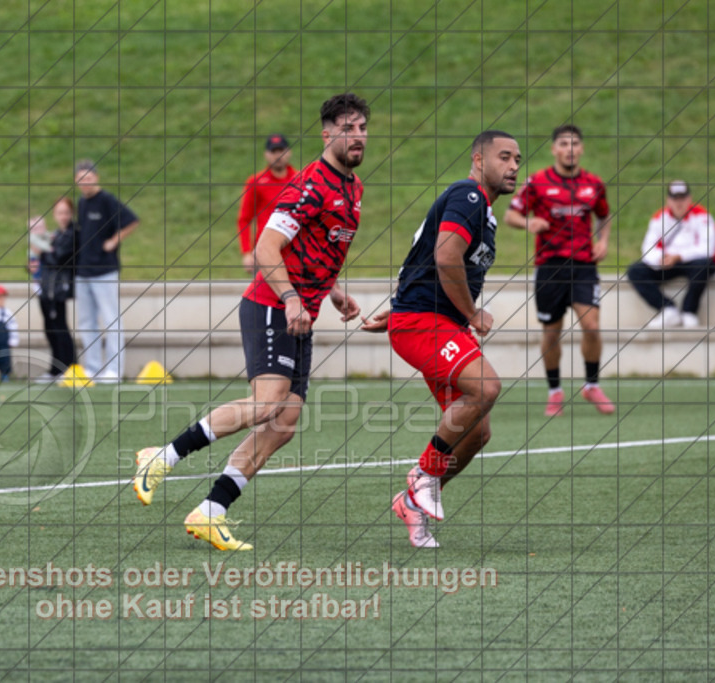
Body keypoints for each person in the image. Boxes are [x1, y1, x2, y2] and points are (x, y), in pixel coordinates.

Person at [133, 92, 369, 551]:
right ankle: (161, 456)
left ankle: (210, 512)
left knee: (284, 423)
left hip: (301, 313)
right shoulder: (308, 185)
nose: (357, 136)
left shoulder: (353, 188)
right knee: (266, 404)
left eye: (362, 128)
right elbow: (265, 248)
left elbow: (317, 247)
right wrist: (291, 298)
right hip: (272, 305)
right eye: (347, 129)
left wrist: (334, 292)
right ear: (327, 135)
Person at [361, 130, 521, 548]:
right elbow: (446, 256)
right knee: (486, 387)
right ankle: (423, 475)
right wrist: (470, 313)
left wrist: (400, 305)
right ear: (478, 160)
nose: (513, 167)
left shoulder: (483, 213)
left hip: (431, 321)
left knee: (477, 433)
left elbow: (422, 258)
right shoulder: (468, 196)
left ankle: (413, 503)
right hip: (425, 322)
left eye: (518, 160)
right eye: (504, 157)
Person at [504, 124, 615, 417]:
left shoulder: (593, 183)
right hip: (549, 267)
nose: (570, 149)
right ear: (554, 149)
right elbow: (511, 215)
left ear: (582, 148)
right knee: (551, 333)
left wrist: (603, 241)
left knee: (592, 326)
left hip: (584, 266)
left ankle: (591, 385)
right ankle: (555, 391)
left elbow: (604, 215)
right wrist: (528, 223)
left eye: (575, 144)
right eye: (564, 144)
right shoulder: (537, 182)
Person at [73, 160, 139, 383]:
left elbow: (131, 221)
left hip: (104, 271)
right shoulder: (82, 203)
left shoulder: (107, 200)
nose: (85, 183)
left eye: (88, 178)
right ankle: (92, 367)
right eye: (81, 179)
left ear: (96, 178)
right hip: (83, 272)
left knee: (111, 320)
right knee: (86, 322)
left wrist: (114, 240)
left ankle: (114, 370)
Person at [626, 180, 715, 329]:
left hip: (693, 262)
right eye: (675, 198)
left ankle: (689, 311)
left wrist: (679, 256)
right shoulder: (659, 218)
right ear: (668, 200)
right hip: (666, 263)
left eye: (682, 198)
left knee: (705, 265)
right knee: (635, 270)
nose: (679, 203)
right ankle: (667, 309)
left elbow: (708, 248)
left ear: (689, 198)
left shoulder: (702, 216)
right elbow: (647, 248)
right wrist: (660, 259)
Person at [30, 202, 78, 381]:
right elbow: (42, 260)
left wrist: (41, 252)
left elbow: (58, 258)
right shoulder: (57, 235)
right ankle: (56, 369)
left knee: (60, 328)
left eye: (66, 212)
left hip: (57, 288)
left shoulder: (72, 234)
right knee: (50, 329)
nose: (63, 216)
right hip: (46, 287)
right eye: (59, 213)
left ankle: (69, 368)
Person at [236, 134, 297, 274]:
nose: (278, 155)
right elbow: (244, 219)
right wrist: (246, 252)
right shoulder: (256, 182)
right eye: (273, 151)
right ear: (266, 154)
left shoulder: (300, 180)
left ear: (289, 152)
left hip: (294, 251)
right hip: (265, 251)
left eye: (281, 150)